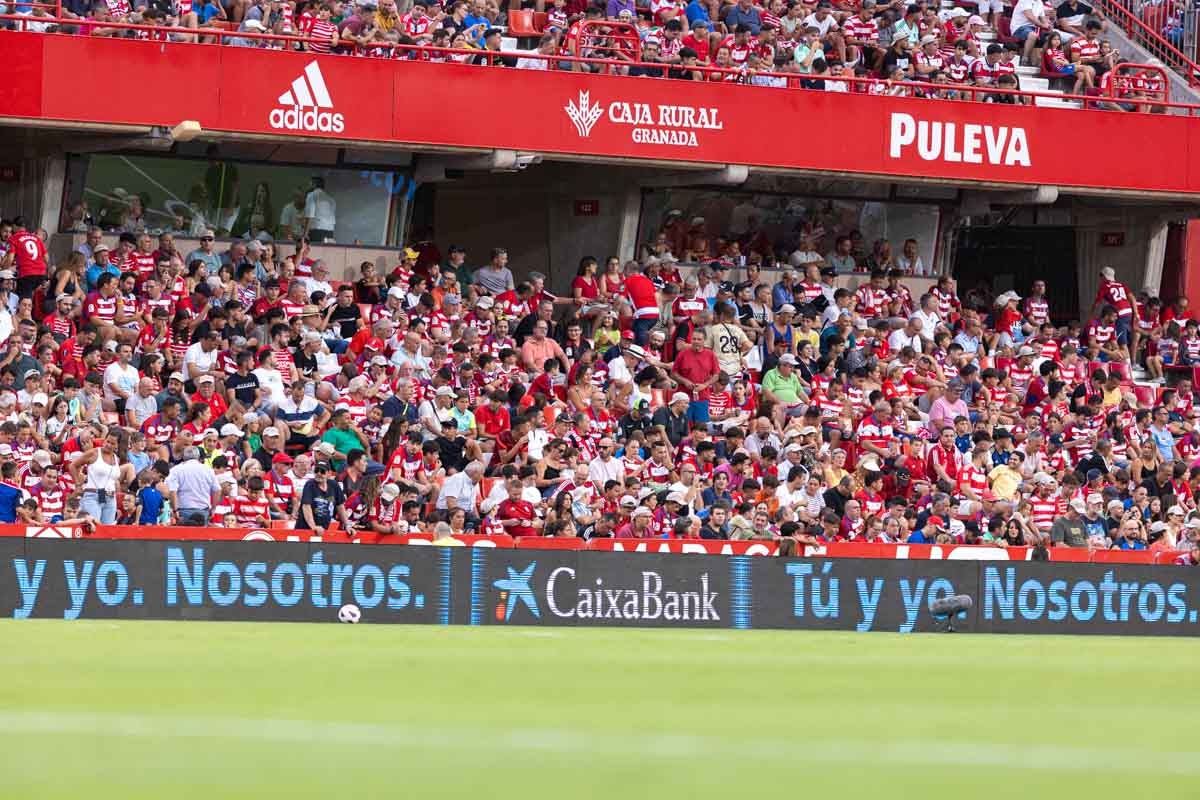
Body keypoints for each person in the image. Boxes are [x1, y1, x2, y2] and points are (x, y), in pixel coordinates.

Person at [166, 446, 222, 526]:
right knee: (201, 537)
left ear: (183, 457)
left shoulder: (176, 470)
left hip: (183, 510)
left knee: (183, 537)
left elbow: (173, 491)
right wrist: (213, 508)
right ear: (198, 456)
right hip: (203, 510)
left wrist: (175, 510)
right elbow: (217, 490)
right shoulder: (208, 470)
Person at [296, 461, 353, 535]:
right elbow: (306, 506)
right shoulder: (310, 484)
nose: (319, 473)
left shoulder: (334, 485)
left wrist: (347, 525)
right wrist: (313, 526)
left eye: (322, 471)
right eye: (316, 470)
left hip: (323, 530)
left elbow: (340, 506)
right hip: (305, 530)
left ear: (329, 473)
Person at [302, 177, 337, 243]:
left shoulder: (311, 195)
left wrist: (305, 234)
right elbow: (332, 218)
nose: (308, 186)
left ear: (314, 184)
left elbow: (310, 215)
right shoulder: (331, 199)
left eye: (310, 184)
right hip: (330, 232)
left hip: (316, 232)